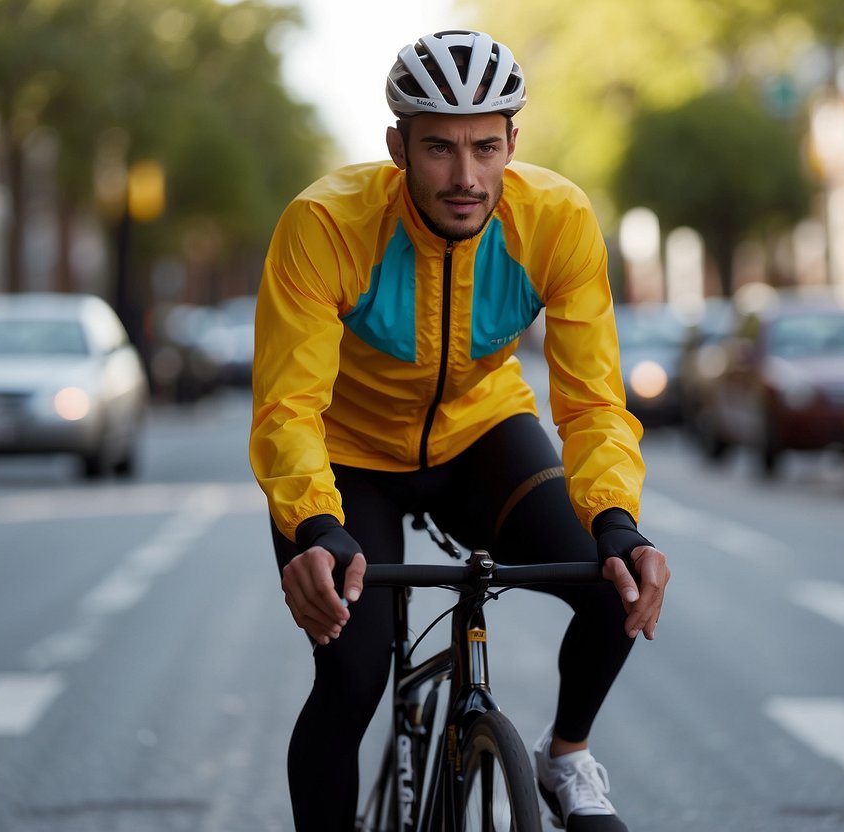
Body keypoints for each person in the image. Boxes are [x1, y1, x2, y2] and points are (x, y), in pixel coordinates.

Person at [250, 29, 670, 831]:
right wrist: (314, 522)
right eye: (438, 148)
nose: (466, 176)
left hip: (483, 433)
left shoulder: (556, 220)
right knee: (351, 673)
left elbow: (591, 404)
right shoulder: (325, 224)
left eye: (485, 147)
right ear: (396, 146)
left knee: (613, 580)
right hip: (346, 460)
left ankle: (567, 756)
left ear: (513, 141)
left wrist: (614, 520)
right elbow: (286, 407)